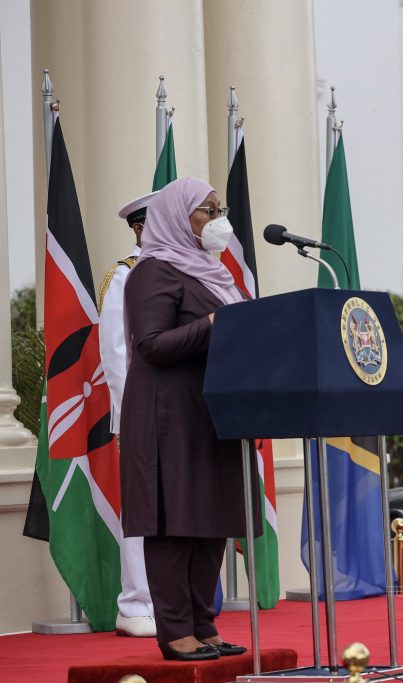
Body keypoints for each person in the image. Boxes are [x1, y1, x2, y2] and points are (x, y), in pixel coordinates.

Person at [120, 177, 258, 661]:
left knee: (210, 521)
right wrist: (213, 325)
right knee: (174, 524)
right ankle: (175, 630)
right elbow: (150, 346)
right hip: (168, 417)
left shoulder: (211, 274)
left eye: (219, 210)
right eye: (207, 210)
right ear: (179, 218)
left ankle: (204, 624)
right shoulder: (154, 272)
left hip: (213, 414)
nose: (219, 221)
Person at [98, 191, 158, 638]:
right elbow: (117, 354)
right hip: (143, 411)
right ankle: (135, 604)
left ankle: (173, 600)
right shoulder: (126, 275)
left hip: (180, 412)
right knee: (141, 510)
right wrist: (133, 413)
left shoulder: (182, 269)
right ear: (140, 228)